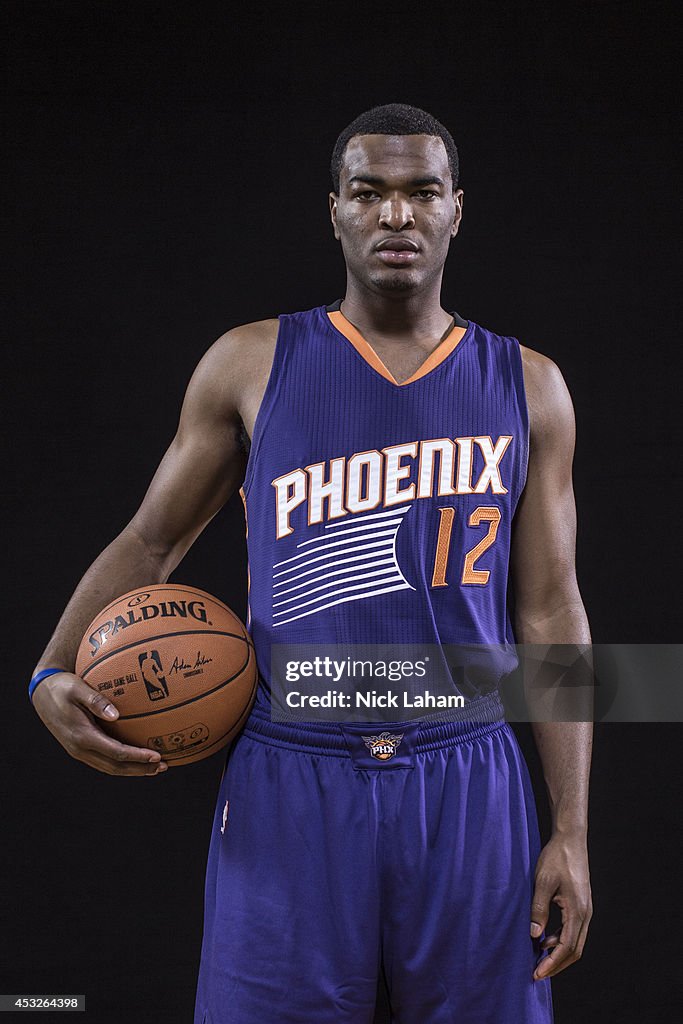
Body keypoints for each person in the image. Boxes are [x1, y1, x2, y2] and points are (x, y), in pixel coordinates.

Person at [30, 103, 593, 1023]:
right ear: (334, 209)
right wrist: (52, 667)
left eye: (422, 192)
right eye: (369, 192)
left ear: (458, 209)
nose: (396, 216)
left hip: (468, 778)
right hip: (292, 775)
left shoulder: (529, 385)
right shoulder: (250, 363)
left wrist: (569, 826)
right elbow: (151, 542)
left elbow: (550, 611)